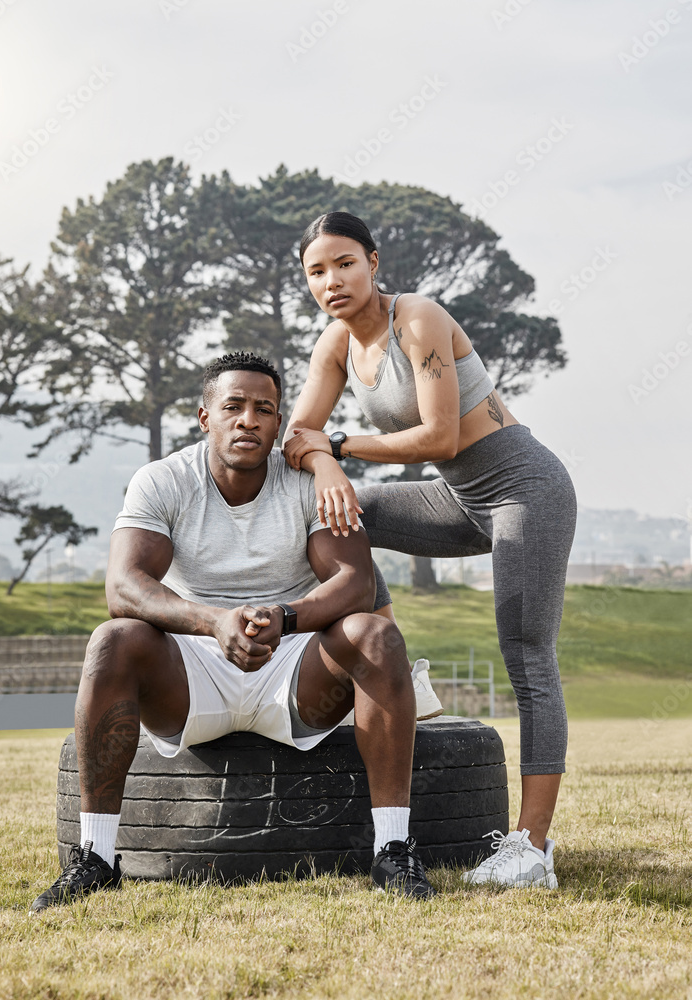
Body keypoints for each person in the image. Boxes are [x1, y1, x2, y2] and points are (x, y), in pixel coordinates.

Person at [30, 352, 436, 912]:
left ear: (278, 424)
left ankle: (394, 849)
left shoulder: (305, 483)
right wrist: (214, 621)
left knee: (373, 632)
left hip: (293, 670)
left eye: (264, 409)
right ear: (205, 418)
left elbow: (355, 582)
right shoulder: (163, 479)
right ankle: (97, 858)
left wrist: (285, 616)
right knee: (112, 640)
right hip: (193, 673)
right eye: (234, 407)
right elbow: (124, 587)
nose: (248, 419)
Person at [283, 212, 577, 889]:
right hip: (459, 502)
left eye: (345, 263)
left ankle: (533, 850)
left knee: (526, 653)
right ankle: (398, 668)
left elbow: (441, 437)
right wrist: (327, 468)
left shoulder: (416, 319)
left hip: (525, 490)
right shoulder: (335, 344)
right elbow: (301, 432)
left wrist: (341, 447)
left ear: (374, 262)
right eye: (316, 271)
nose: (333, 280)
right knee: (336, 517)